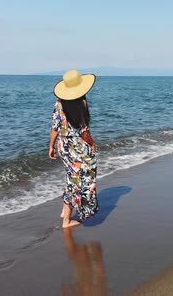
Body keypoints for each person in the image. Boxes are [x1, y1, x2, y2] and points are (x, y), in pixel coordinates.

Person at [49, 70, 99, 228]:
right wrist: (92, 143)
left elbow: (55, 127)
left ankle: (65, 210)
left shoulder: (58, 103)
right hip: (78, 147)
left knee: (71, 178)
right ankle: (67, 220)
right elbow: (83, 130)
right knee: (81, 181)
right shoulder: (81, 102)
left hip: (63, 146)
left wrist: (51, 145)